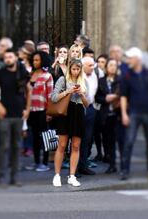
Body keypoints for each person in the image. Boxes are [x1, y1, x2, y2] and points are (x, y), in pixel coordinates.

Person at [0, 49, 30, 186]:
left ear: (15, 58)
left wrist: (28, 109)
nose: (8, 59)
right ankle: (1, 176)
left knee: (16, 146)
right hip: (5, 115)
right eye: (6, 57)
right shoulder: (0, 73)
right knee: (3, 146)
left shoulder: (22, 73)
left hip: (19, 114)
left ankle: (14, 177)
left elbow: (29, 90)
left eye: (10, 56)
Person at [120, 47, 148, 180]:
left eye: (131, 57)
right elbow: (123, 96)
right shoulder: (126, 75)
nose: (129, 60)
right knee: (129, 141)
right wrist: (124, 113)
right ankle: (124, 170)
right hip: (134, 112)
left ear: (138, 59)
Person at [51, 58, 89, 187]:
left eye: (78, 69)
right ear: (69, 68)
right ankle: (57, 175)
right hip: (66, 112)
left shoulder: (84, 81)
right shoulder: (63, 80)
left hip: (78, 113)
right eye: (73, 69)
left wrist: (82, 94)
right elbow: (54, 97)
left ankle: (72, 176)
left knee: (76, 146)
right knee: (62, 145)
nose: (76, 71)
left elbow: (87, 104)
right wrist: (68, 91)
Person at [25, 51, 54, 172]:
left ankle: (45, 163)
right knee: (34, 137)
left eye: (37, 60)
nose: (35, 62)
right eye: (34, 60)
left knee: (44, 137)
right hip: (31, 110)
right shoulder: (30, 75)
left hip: (43, 110)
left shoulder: (47, 76)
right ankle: (36, 162)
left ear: (43, 61)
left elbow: (50, 95)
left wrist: (49, 112)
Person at [95, 58, 120, 173]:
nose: (113, 67)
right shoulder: (101, 81)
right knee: (107, 140)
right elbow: (97, 97)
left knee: (116, 139)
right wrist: (105, 99)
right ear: (106, 68)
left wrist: (115, 97)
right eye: (110, 65)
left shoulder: (120, 80)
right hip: (105, 114)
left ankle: (115, 164)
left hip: (117, 113)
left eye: (115, 65)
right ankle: (110, 162)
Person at [77, 57, 98, 176]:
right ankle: (74, 169)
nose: (92, 68)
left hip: (90, 108)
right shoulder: (78, 76)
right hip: (79, 109)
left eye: (93, 66)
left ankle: (83, 165)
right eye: (90, 66)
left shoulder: (94, 75)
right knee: (77, 139)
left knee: (88, 138)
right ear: (83, 66)